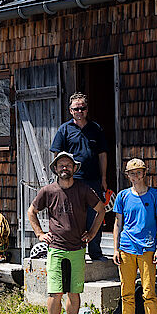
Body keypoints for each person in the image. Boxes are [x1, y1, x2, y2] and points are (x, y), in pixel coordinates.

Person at [27, 150, 105, 314]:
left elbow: (101, 209)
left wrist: (92, 233)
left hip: (77, 249)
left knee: (74, 292)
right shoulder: (48, 191)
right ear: (55, 168)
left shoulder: (83, 189)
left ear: (74, 168)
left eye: (68, 165)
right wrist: (40, 234)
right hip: (56, 249)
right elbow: (32, 211)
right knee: (55, 293)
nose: (65, 168)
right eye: (61, 165)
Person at [110, 158, 157, 314]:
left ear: (145, 173)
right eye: (132, 173)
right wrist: (115, 248)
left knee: (149, 291)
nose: (135, 176)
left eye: (139, 172)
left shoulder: (155, 195)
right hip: (126, 247)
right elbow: (117, 223)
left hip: (148, 248)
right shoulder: (122, 196)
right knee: (127, 291)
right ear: (128, 176)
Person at [49, 92, 109, 261]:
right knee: (73, 216)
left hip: (93, 180)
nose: (80, 111)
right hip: (72, 181)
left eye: (82, 108)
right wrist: (61, 178)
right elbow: (57, 156)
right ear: (70, 110)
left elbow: (102, 154)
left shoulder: (96, 129)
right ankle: (76, 252)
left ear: (87, 109)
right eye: (76, 109)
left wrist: (103, 178)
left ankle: (95, 252)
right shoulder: (64, 130)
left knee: (95, 215)